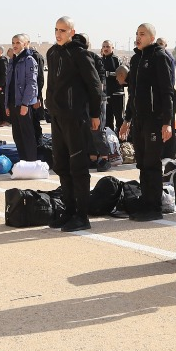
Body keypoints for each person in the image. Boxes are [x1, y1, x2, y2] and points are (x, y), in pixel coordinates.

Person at [45, 17, 105, 231]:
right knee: (61, 165)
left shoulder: (80, 54)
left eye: (63, 30)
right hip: (57, 117)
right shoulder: (52, 53)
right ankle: (69, 210)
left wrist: (95, 114)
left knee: (78, 166)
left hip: (76, 117)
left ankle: (82, 215)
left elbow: (95, 86)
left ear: (72, 31)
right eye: (56, 29)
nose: (58, 34)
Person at [121, 24, 176, 222]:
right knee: (142, 163)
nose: (138, 37)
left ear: (152, 37)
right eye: (137, 34)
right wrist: (127, 119)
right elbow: (132, 93)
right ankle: (146, 201)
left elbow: (167, 92)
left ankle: (155, 206)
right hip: (139, 120)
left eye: (142, 34)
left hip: (154, 120)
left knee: (152, 163)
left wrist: (167, 122)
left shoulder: (159, 57)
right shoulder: (136, 59)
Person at [5, 34, 42, 164]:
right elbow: (9, 84)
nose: (15, 45)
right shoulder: (12, 60)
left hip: (23, 104)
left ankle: (31, 163)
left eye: (18, 43)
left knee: (27, 135)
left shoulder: (29, 60)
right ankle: (23, 163)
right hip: (13, 103)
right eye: (13, 43)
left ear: (25, 44)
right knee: (17, 135)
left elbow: (31, 84)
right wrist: (7, 105)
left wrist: (25, 104)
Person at [99, 40, 125, 134]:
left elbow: (123, 74)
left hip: (117, 94)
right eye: (104, 46)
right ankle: (110, 139)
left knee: (119, 119)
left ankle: (121, 139)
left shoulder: (116, 60)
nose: (105, 48)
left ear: (112, 48)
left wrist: (109, 74)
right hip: (105, 95)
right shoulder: (99, 61)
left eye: (108, 46)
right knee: (107, 120)